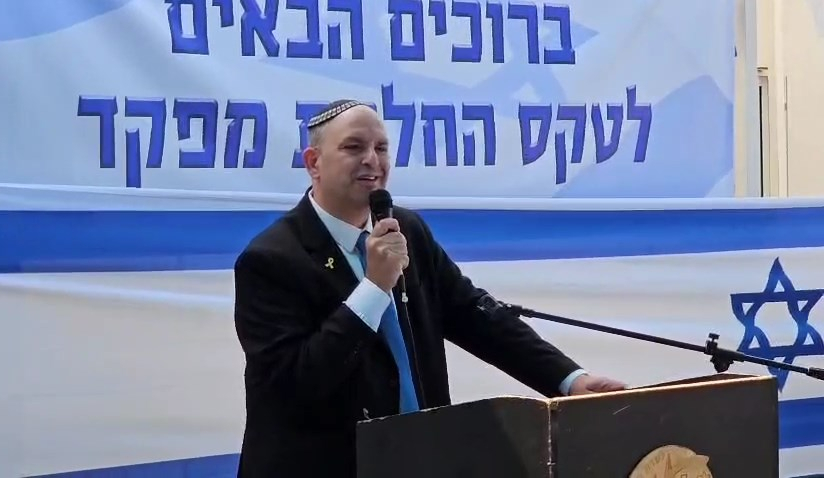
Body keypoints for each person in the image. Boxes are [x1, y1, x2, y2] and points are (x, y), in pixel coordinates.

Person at [232, 99, 626, 477]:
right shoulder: (271, 260)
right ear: (313, 163)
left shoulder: (407, 230)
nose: (372, 160)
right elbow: (295, 384)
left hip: (419, 458)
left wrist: (569, 380)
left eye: (381, 148)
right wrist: (373, 288)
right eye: (354, 147)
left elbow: (476, 317)